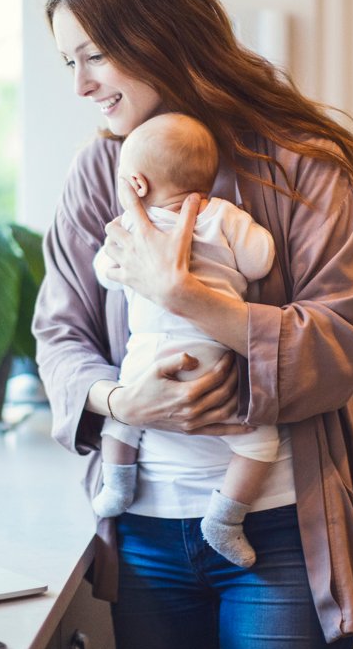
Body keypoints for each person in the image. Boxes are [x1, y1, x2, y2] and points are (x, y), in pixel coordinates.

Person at [34, 0, 353, 649]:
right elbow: (58, 331)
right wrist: (121, 400)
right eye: (70, 61)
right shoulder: (100, 169)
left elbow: (343, 337)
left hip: (283, 536)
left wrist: (182, 295)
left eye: (95, 54)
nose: (81, 85)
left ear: (157, 34)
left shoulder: (302, 165)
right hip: (141, 531)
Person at [90, 112, 278, 569]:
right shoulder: (224, 216)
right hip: (215, 357)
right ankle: (225, 519)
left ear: (135, 182)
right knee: (262, 441)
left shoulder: (132, 227)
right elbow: (260, 261)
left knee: (123, 413)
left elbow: (105, 272)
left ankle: (116, 484)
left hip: (147, 359)